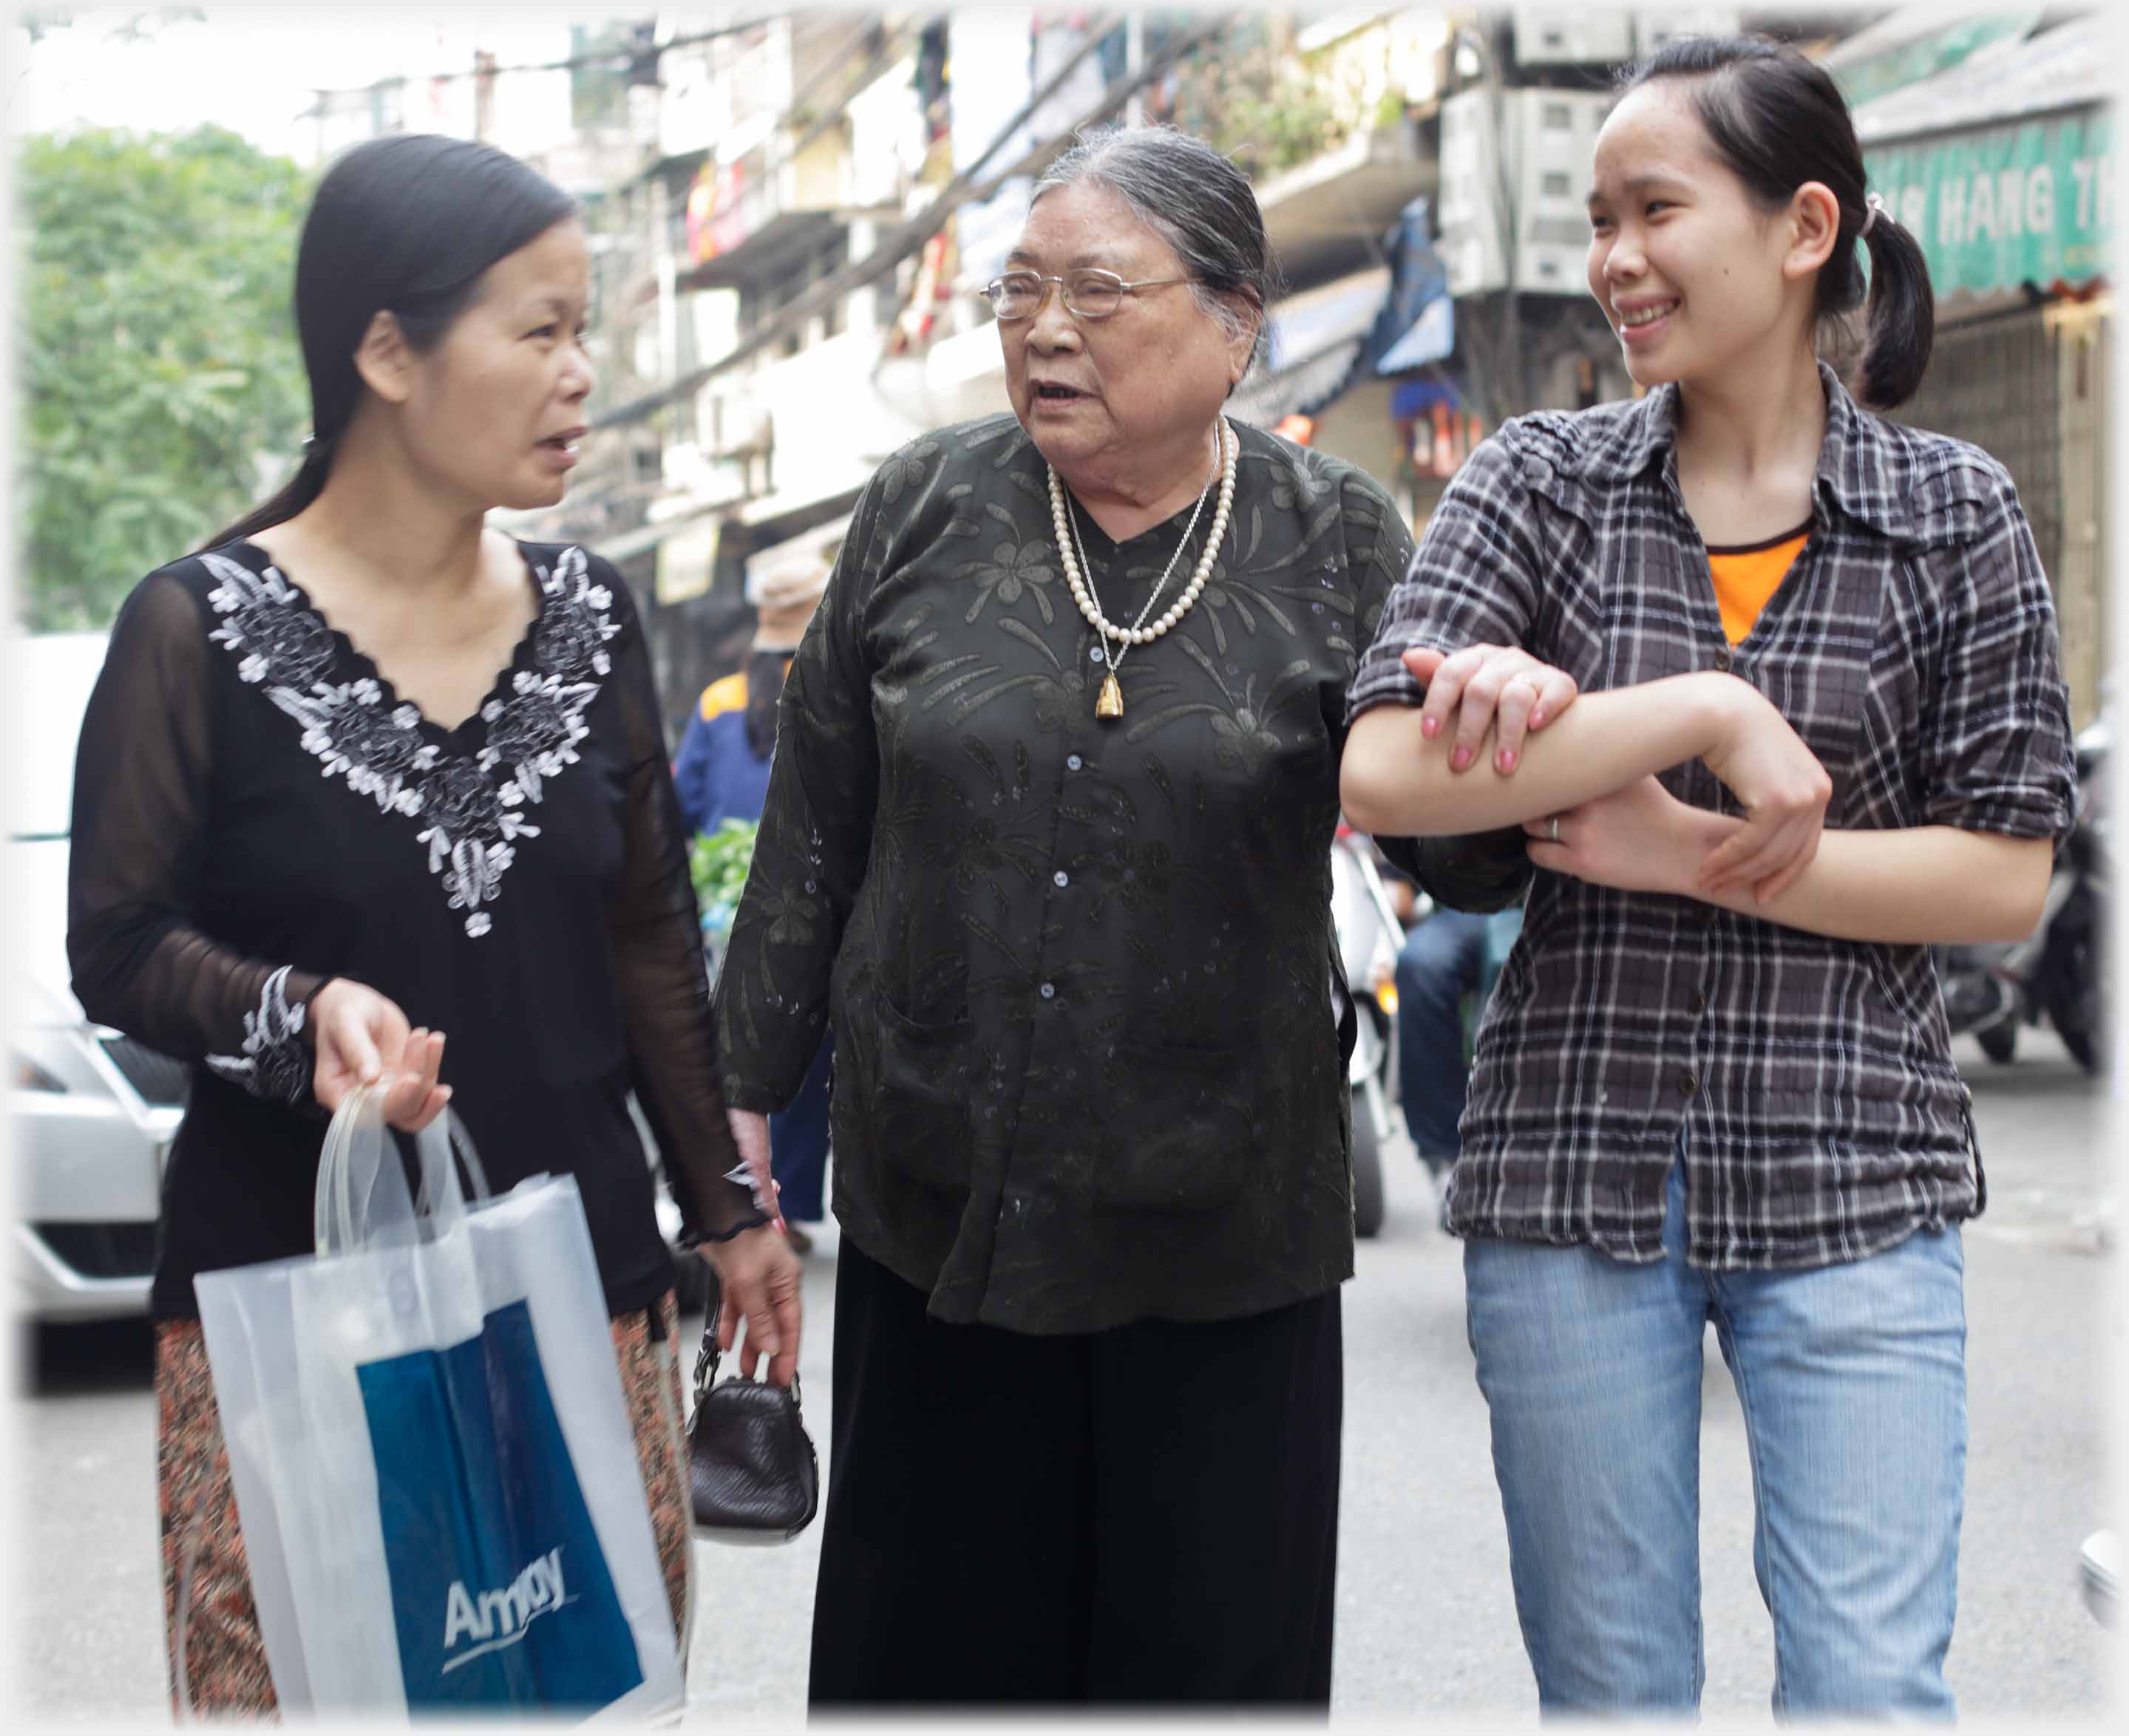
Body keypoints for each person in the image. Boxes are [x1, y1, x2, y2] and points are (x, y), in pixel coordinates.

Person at [709, 123, 1564, 1708]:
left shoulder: (1341, 536)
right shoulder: (925, 507)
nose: (1045, 328)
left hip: (1223, 1230)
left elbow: (1468, 863)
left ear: (1239, 324)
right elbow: (814, 827)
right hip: (938, 1211)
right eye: (1021, 291)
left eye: (1100, 292)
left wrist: (1508, 728)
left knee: (1200, 1674)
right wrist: (737, 1122)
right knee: (935, 1670)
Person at [1341, 36, 2077, 1718]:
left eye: (1653, 209)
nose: (1612, 259)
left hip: (1855, 1169)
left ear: (1803, 223)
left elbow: (2000, 876)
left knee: (1869, 1690)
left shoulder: (1951, 512)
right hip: (1570, 1178)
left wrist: (1685, 855)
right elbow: (1382, 760)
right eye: (1598, 217)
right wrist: (1696, 709)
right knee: (1612, 1694)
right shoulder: (1540, 480)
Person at [64, 133, 802, 1718]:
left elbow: (651, 943)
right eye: (539, 331)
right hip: (290, 1309)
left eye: (584, 329)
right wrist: (294, 1008)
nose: (582, 374)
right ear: (386, 349)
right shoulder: (194, 630)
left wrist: (727, 1208)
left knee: (583, 1696)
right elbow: (115, 940)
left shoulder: (595, 617)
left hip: (580, 1299)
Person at [672, 540, 837, 1247]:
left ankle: (744, 1195)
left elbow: (683, 803)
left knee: (736, 1049)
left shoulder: (718, 702)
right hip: (814, 902)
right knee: (810, 1053)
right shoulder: (836, 688)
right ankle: (789, 1202)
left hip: (724, 908)